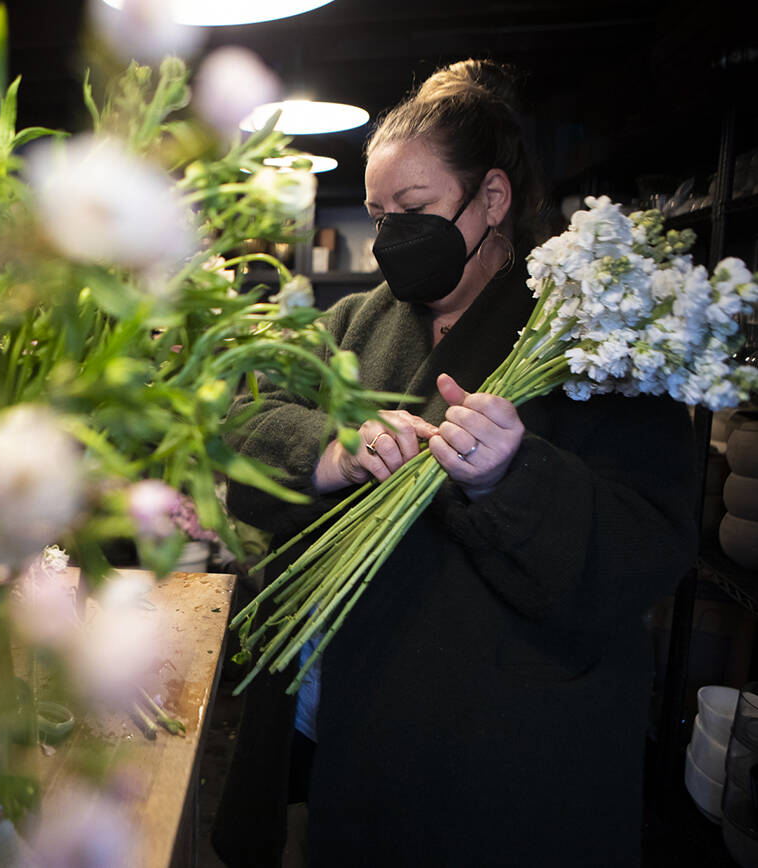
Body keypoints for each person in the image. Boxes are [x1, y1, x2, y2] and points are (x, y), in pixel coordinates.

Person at [211, 59, 697, 867]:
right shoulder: (356, 322)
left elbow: (646, 547)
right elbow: (249, 423)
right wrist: (329, 455)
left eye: (414, 209)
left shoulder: (591, 345)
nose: (391, 232)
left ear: (492, 200)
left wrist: (512, 478)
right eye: (377, 212)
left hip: (496, 765)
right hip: (332, 722)